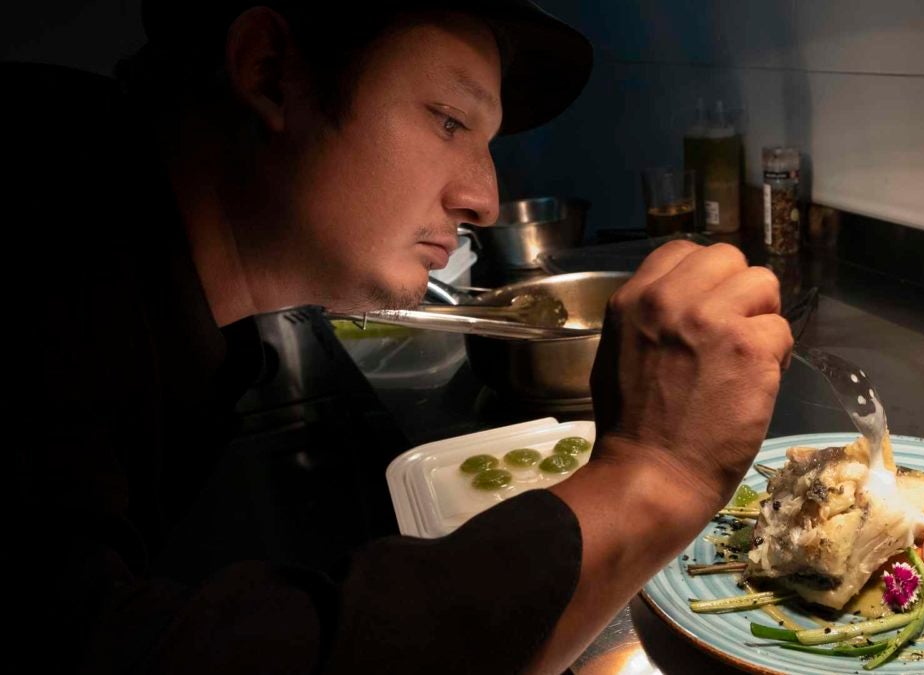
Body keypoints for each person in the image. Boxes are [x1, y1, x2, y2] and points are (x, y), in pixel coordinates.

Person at [4, 1, 791, 673]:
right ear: (273, 70)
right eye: (448, 119)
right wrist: (651, 472)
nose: (483, 197)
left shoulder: (163, 307)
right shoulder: (44, 226)